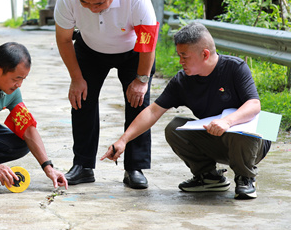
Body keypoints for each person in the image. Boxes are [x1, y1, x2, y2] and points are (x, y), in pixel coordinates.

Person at [102, 22, 270, 199]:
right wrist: (123, 140)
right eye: (179, 55)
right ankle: (209, 177)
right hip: (219, 139)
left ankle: (246, 177)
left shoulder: (235, 67)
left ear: (205, 54)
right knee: (174, 128)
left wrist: (227, 122)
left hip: (254, 141)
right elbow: (153, 111)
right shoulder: (182, 80)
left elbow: (254, 105)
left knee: (238, 130)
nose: (180, 62)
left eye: (185, 56)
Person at [54, 0, 159, 189]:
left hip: (133, 51)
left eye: (99, 3)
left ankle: (135, 167)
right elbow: (63, 39)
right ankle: (83, 166)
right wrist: (76, 78)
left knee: (138, 103)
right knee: (81, 100)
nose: (92, 8)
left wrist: (142, 79)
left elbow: (147, 41)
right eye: (85, 3)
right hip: (90, 49)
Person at [0, 42, 69, 193]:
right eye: (16, 78)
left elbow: (28, 129)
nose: (19, 84)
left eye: (23, 79)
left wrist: (48, 168)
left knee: (22, 143)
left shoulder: (12, 91)